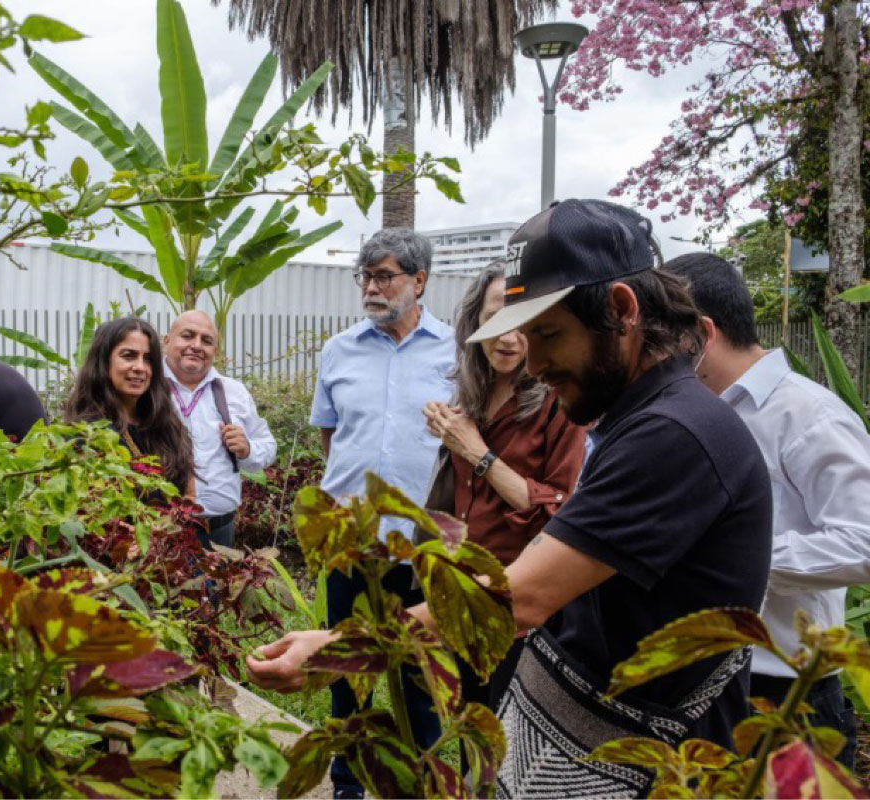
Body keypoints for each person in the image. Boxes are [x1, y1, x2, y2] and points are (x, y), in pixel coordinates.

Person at [248, 199, 773, 799]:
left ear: (622, 311)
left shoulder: (673, 435)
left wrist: (337, 649)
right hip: (575, 747)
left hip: (636, 768)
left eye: (548, 335)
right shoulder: (637, 418)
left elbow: (520, 598)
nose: (538, 362)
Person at [665, 251, 870, 769]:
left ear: (701, 333)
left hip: (789, 698)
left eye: (663, 338)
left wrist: (736, 557)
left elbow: (864, 541)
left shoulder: (809, 414)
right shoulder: (694, 412)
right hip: (705, 686)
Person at [309, 227, 455, 798]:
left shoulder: (455, 350)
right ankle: (348, 783)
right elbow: (333, 438)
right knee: (348, 671)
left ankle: (423, 780)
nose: (371, 287)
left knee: (419, 672)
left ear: (420, 281)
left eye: (384, 276)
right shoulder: (338, 350)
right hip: (351, 542)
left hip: (420, 543)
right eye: (364, 276)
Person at [422, 262, 586, 711]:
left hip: (520, 606)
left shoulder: (560, 401)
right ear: (475, 323)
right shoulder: (471, 394)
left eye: (523, 324)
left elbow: (559, 508)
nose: (508, 337)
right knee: (467, 726)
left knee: (505, 737)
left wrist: (476, 452)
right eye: (496, 320)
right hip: (461, 593)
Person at [162, 310, 276, 548]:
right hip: (161, 529)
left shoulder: (234, 392)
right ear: (167, 341)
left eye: (206, 340)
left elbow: (267, 447)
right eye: (187, 335)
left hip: (219, 532)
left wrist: (247, 449)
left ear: (215, 350)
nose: (196, 345)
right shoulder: (145, 388)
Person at [65, 317, 195, 498]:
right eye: (128, 356)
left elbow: (188, 492)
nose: (140, 367)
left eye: (148, 359)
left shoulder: (165, 424)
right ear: (103, 362)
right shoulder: (87, 433)